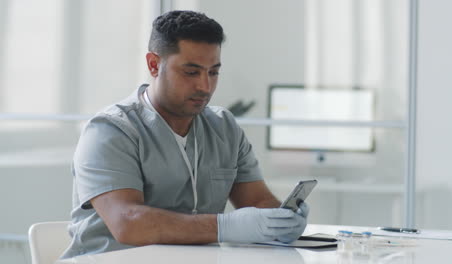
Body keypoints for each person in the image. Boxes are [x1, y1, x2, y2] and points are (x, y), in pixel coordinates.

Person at [62, 10, 309, 258]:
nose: (205, 86)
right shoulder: (110, 130)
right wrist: (225, 227)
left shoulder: (224, 127)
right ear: (153, 64)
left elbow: (257, 200)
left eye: (213, 72)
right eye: (191, 72)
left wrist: (283, 218)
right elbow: (128, 222)